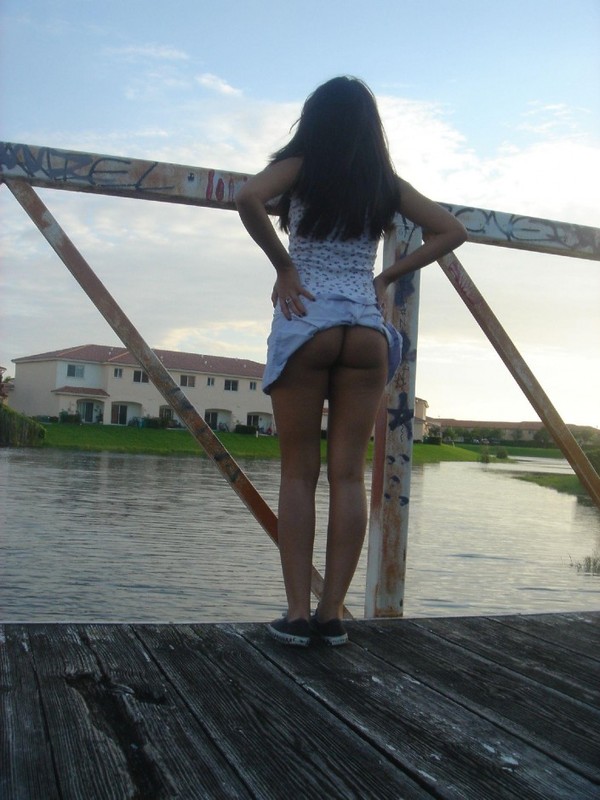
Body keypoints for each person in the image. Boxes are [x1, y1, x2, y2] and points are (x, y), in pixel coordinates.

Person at [236, 76, 467, 646]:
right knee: (348, 475)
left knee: (298, 472)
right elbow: (451, 230)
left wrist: (284, 267)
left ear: (313, 119)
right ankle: (333, 615)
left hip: (306, 323)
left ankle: (296, 615)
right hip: (366, 330)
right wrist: (387, 276)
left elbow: (246, 197)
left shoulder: (301, 166)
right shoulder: (382, 183)